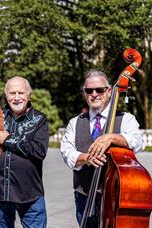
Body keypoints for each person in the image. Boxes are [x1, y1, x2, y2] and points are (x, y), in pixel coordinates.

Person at [60, 69, 145, 227]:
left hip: (116, 197)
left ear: (110, 91)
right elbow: (66, 151)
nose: (94, 94)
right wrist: (86, 158)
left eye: (99, 89)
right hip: (84, 196)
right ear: (84, 93)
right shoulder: (75, 122)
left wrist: (112, 137)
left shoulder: (126, 119)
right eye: (89, 90)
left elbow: (139, 142)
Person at [0, 76, 49, 228]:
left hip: (30, 195)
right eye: (12, 93)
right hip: (0, 194)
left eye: (21, 93)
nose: (17, 97)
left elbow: (39, 151)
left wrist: (8, 140)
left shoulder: (39, 119)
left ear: (29, 95)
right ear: (6, 96)